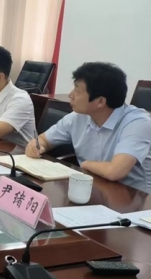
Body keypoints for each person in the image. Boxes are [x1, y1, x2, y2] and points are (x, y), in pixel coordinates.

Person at [26, 62, 151, 193]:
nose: (70, 94)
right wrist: (36, 146)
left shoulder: (137, 123)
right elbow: (44, 140)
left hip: (133, 198)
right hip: (91, 188)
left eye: (77, 90)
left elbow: (115, 171)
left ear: (100, 102)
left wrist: (86, 164)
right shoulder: (77, 117)